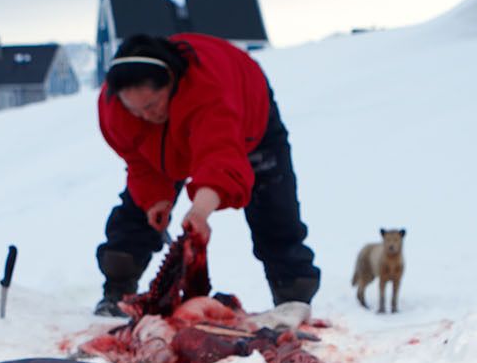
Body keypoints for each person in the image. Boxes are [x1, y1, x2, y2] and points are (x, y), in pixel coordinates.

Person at [93, 32, 322, 317]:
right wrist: (155, 199)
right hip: (174, 137)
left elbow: (219, 158)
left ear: (172, 81)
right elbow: (140, 161)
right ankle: (117, 290)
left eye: (151, 106)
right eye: (134, 110)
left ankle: (293, 298)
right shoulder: (116, 110)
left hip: (247, 118)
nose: (144, 116)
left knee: (274, 208)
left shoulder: (210, 93)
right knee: (137, 212)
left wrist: (199, 212)